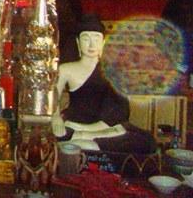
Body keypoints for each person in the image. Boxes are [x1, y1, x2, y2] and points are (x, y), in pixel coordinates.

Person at [51, 13, 156, 153]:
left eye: (96, 39)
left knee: (146, 141)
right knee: (58, 134)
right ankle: (85, 142)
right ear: (78, 42)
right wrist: (56, 117)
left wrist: (91, 130)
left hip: (104, 127)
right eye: (86, 39)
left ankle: (83, 140)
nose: (91, 44)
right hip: (74, 123)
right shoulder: (66, 69)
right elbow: (52, 97)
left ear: (103, 42)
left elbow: (120, 109)